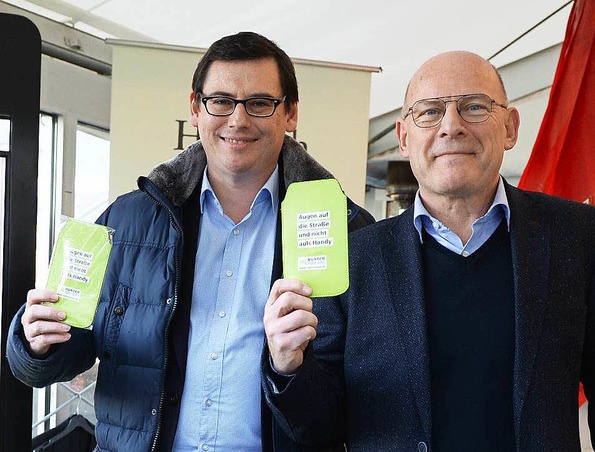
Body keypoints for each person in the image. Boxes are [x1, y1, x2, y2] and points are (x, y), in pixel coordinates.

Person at [7, 31, 373, 451]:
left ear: (290, 113)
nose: (238, 120)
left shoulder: (349, 233)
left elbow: (357, 410)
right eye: (220, 101)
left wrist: (290, 372)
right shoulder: (126, 222)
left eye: (259, 103)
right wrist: (35, 344)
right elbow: (66, 353)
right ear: (195, 109)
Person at [262, 51, 595, 451]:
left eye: (474, 107)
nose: (451, 127)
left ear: (510, 127)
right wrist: (288, 368)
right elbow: (319, 428)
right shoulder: (356, 257)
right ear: (405, 138)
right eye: (429, 112)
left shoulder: (576, 237)